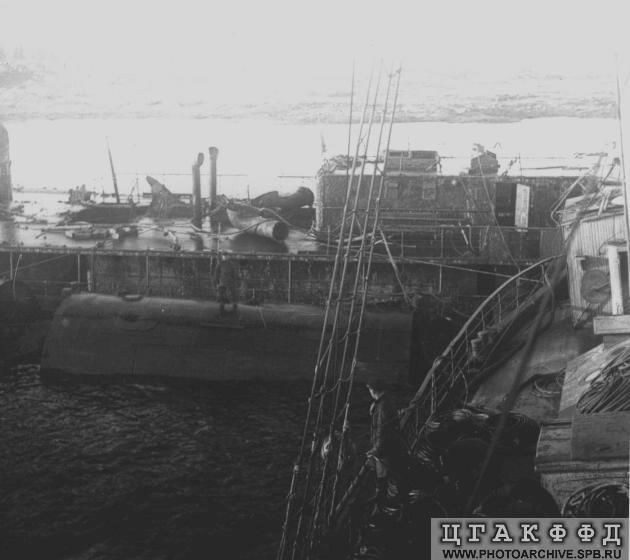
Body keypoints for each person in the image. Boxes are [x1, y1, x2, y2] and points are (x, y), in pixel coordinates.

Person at [366, 378, 406, 508]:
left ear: (373, 390)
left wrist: (375, 450)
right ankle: (384, 502)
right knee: (387, 478)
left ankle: (383, 505)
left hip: (385, 450)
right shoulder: (386, 402)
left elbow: (381, 430)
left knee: (383, 478)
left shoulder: (382, 406)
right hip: (391, 446)